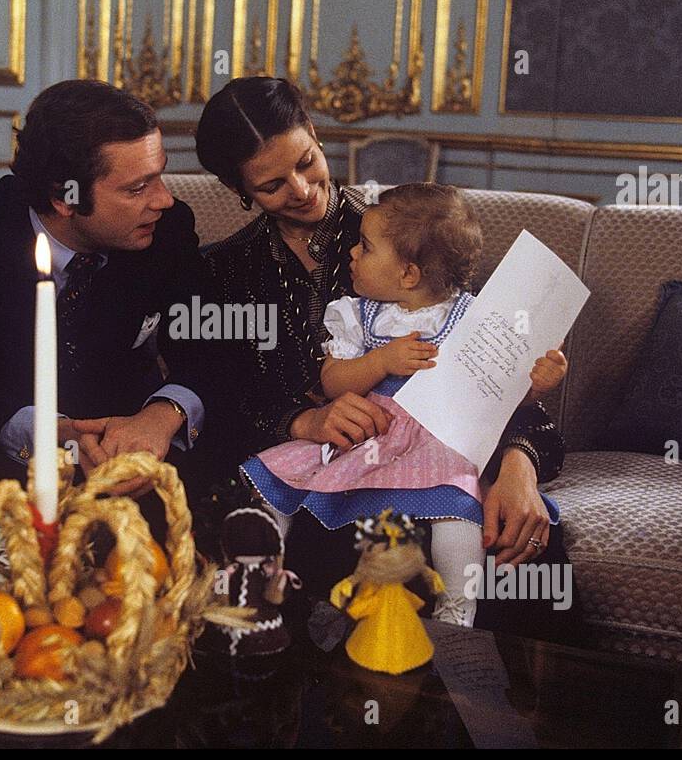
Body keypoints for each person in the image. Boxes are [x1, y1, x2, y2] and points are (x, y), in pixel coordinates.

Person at [196, 76, 581, 642]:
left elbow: (492, 376)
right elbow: (221, 403)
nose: (303, 190)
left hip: (439, 455)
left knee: (525, 554)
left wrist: (519, 464)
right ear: (240, 190)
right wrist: (303, 420)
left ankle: (485, 710)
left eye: (307, 161)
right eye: (273, 184)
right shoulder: (225, 275)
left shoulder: (408, 231)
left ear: (317, 136)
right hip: (329, 468)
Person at [240, 183, 568, 626]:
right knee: (285, 477)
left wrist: (537, 384)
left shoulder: (472, 318)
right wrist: (379, 361)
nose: (352, 255)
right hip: (371, 432)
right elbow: (333, 381)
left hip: (438, 439)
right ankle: (260, 572)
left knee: (458, 508)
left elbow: (501, 392)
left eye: (365, 247)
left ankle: (457, 608)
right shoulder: (358, 314)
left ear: (408, 274)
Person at [0, 80, 233, 522]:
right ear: (65, 198)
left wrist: (164, 413)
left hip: (127, 474)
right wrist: (48, 435)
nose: (164, 199)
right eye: (138, 187)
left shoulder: (167, 228)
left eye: (159, 173)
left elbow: (212, 345)